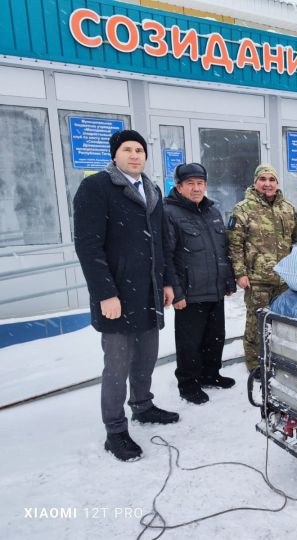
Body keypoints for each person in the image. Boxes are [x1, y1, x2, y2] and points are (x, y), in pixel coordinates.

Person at [73, 129, 179, 462]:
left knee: (146, 357)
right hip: (117, 295)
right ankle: (115, 430)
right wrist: (105, 293)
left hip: (148, 291)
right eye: (127, 150)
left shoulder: (152, 189)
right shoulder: (96, 187)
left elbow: (161, 242)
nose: (135, 155)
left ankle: (143, 406)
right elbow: (88, 246)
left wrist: (166, 282)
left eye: (139, 150)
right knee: (117, 366)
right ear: (114, 155)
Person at [164, 163, 237, 405]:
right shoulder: (169, 213)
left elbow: (222, 250)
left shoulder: (213, 212)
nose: (196, 188)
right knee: (189, 343)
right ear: (179, 186)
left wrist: (227, 280)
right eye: (190, 184)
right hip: (189, 293)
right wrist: (176, 292)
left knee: (215, 337)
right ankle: (188, 384)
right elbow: (167, 257)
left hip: (214, 289)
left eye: (200, 183)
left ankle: (210, 374)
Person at [227, 164, 297, 375]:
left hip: (283, 280)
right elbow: (234, 245)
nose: (267, 184)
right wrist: (240, 274)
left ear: (277, 183)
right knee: (256, 324)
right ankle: (255, 364)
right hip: (257, 280)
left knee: (281, 323)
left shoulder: (288, 209)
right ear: (255, 182)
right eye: (263, 179)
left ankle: (278, 359)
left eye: (272, 179)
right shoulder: (243, 209)